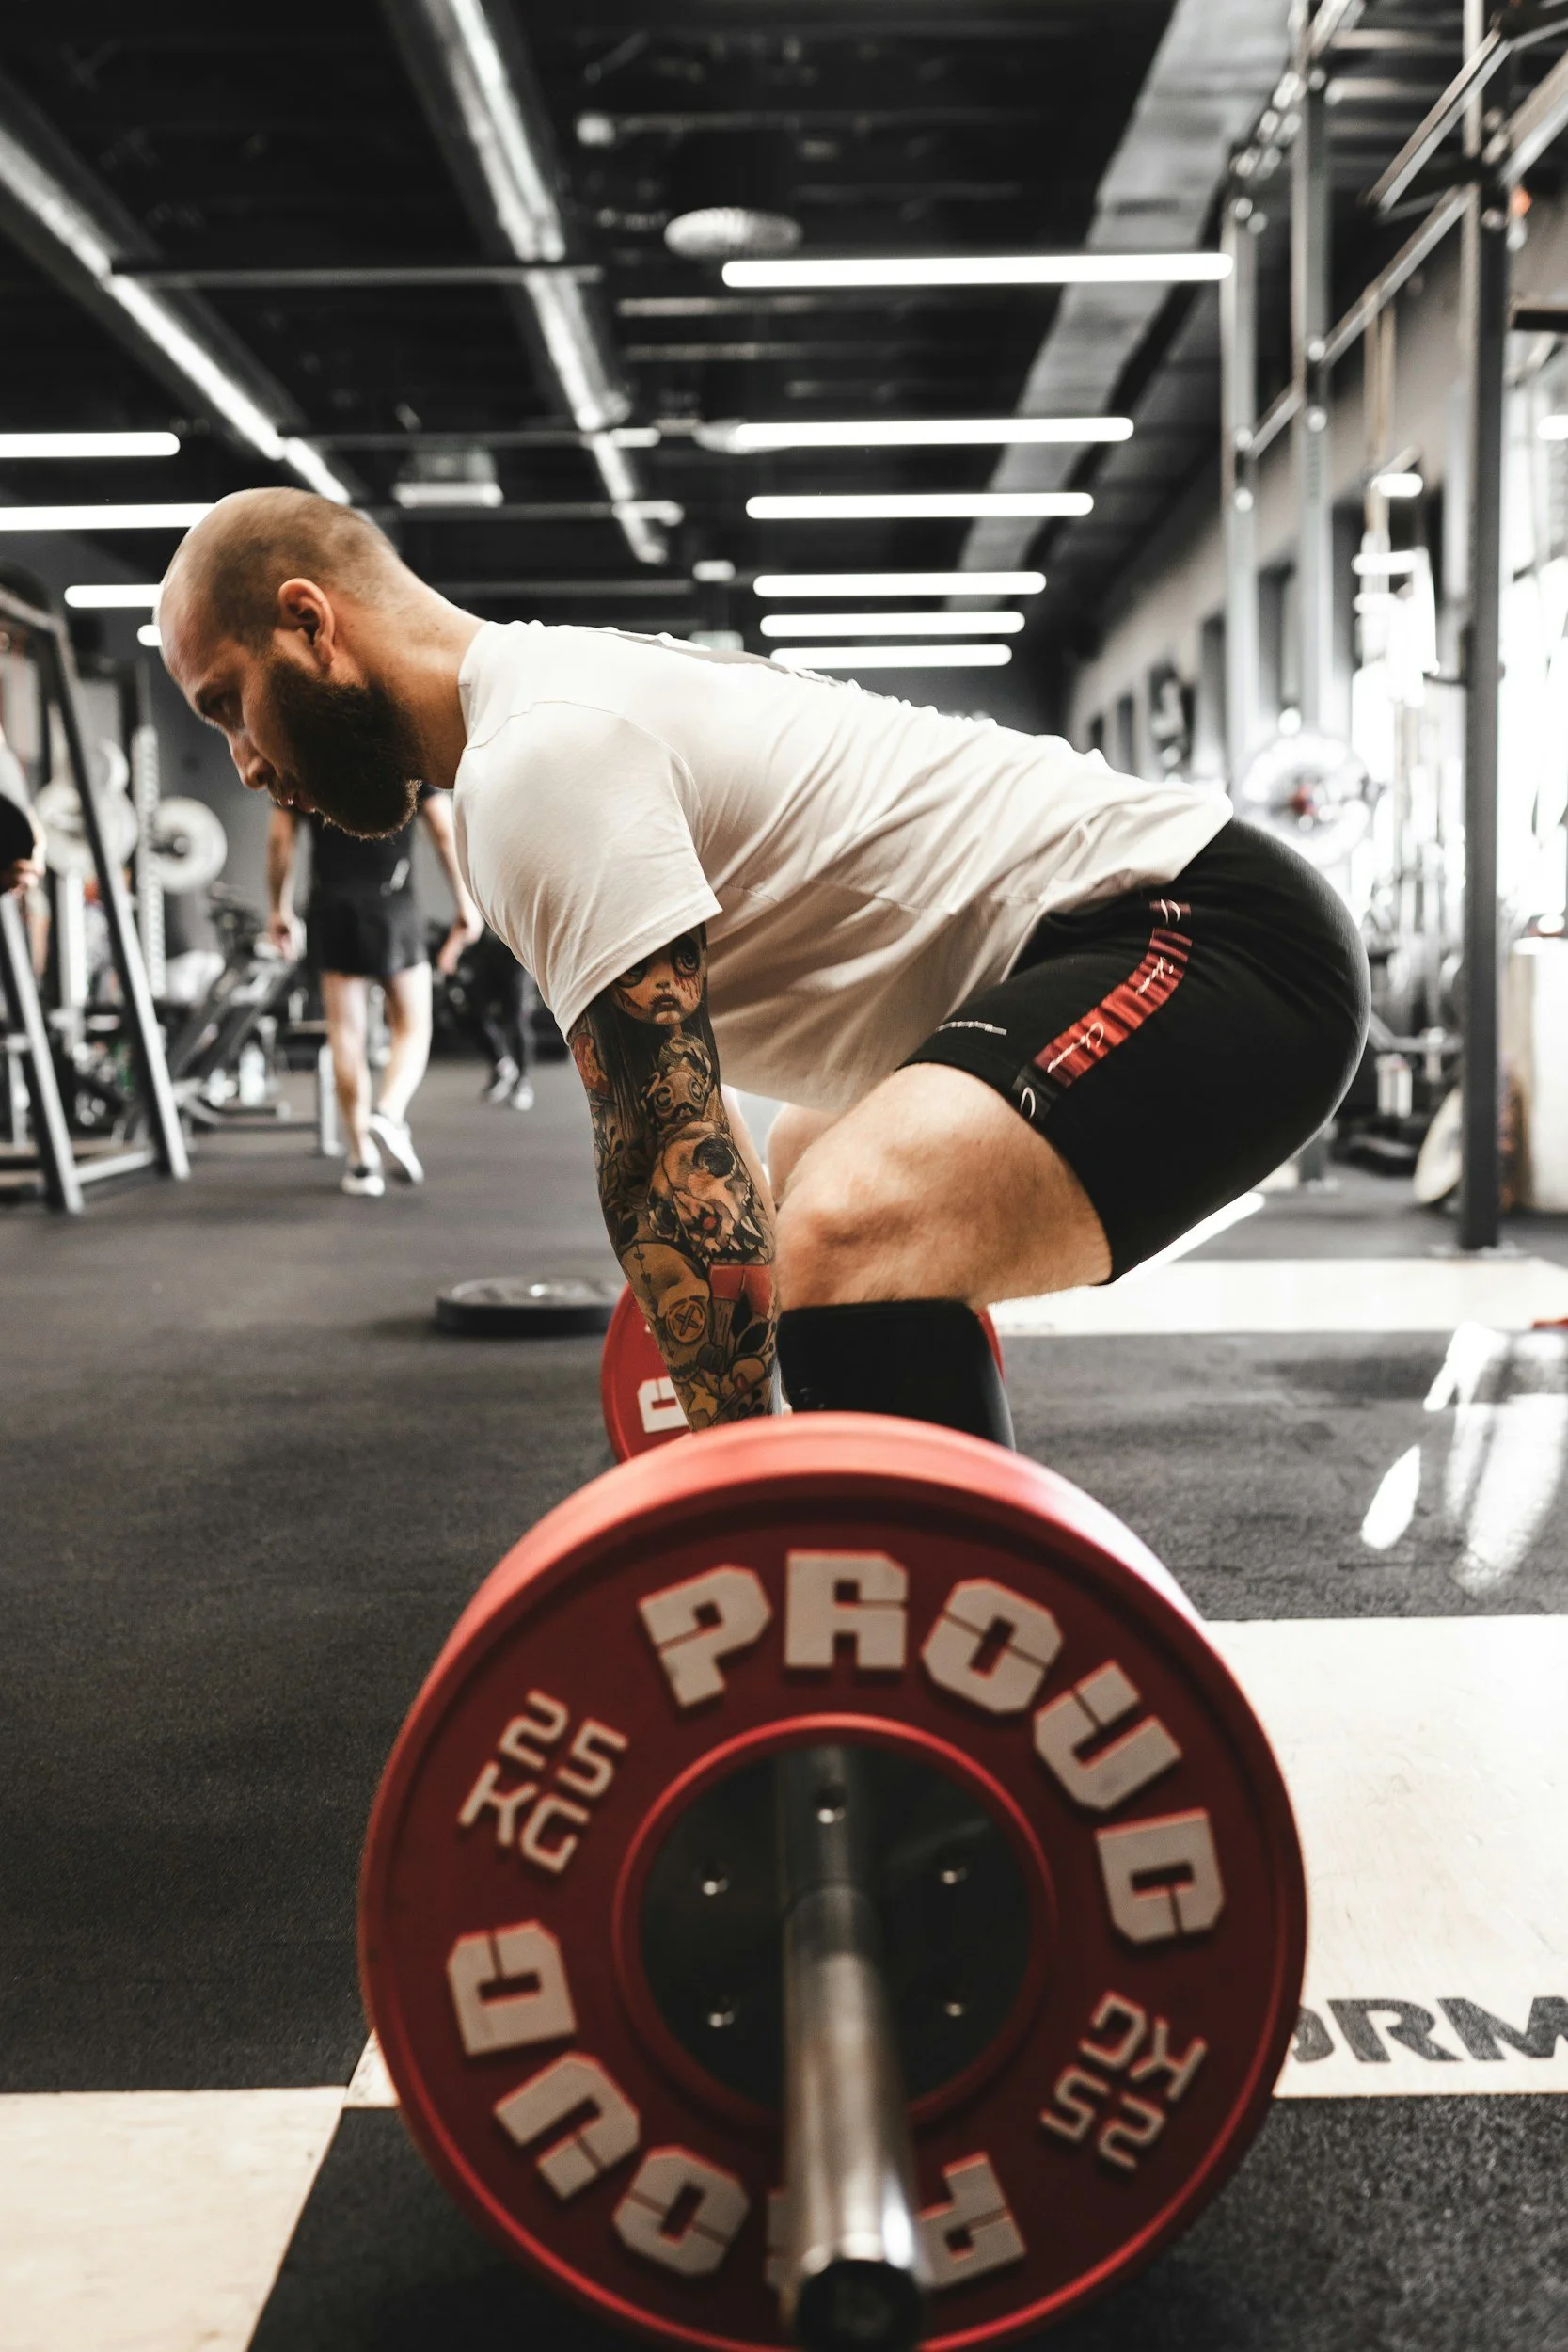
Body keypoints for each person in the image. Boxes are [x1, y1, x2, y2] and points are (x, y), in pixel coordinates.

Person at [159, 490, 1369, 1441]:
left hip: (1208, 940)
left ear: (310, 623)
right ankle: (935, 1594)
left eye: (226, 703)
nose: (244, 760)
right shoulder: (534, 712)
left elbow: (664, 1170)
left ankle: (930, 1651)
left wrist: (738, 1513)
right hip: (1076, 955)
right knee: (801, 1179)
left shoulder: (537, 757)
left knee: (835, 1236)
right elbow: (709, 1152)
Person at [267, 785, 481, 1195]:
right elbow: (442, 830)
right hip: (392, 904)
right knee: (413, 1027)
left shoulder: (301, 748)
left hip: (331, 907)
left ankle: (362, 1161)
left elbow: (281, 838)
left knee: (346, 1034)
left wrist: (280, 908)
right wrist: (466, 902)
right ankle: (390, 1111)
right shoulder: (403, 748)